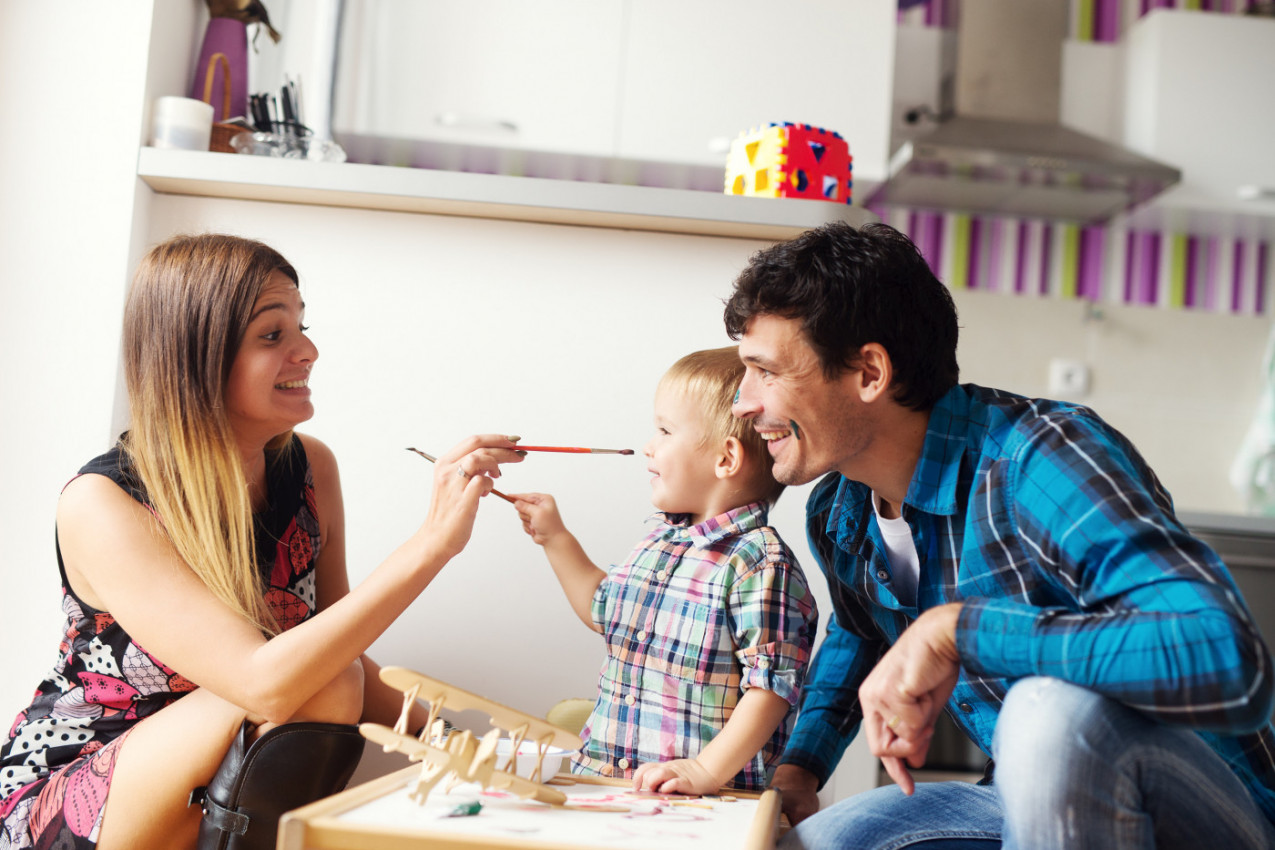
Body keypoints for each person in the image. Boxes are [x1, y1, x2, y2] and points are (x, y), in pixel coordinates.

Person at [723, 221, 1275, 849]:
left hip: (1212, 816)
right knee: (804, 844)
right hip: (1013, 799)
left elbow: (1224, 654)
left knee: (1049, 714)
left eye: (764, 371)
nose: (742, 402)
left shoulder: (1040, 459)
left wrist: (955, 629)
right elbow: (860, 631)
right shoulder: (840, 506)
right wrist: (801, 767)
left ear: (869, 372)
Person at [0, 234, 523, 850]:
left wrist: (489, 757)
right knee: (318, 679)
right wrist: (432, 543)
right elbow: (266, 684)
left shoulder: (311, 470)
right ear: (196, 356)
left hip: (224, 776)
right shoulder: (103, 502)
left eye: (301, 327)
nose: (308, 351)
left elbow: (342, 650)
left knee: (333, 675)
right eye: (272, 335)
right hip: (83, 786)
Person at [512, 346, 819, 795]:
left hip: (700, 800)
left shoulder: (760, 563)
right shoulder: (658, 541)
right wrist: (556, 539)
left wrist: (703, 771)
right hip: (609, 783)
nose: (649, 446)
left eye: (664, 430)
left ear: (726, 459)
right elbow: (605, 610)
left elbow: (771, 688)